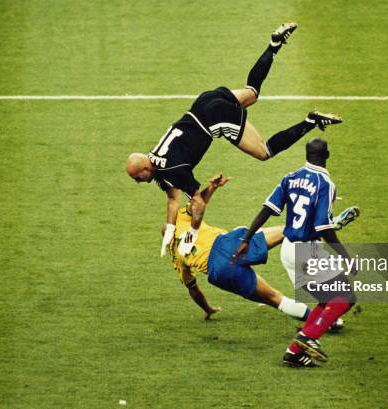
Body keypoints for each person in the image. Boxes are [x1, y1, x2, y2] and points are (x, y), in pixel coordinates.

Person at [126, 22, 342, 257]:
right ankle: (274, 44)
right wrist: (169, 230)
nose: (138, 181)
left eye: (138, 177)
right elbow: (172, 197)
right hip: (204, 102)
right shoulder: (156, 160)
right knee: (252, 92)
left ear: (146, 167)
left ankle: (310, 122)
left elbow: (197, 203)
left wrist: (191, 235)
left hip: (214, 119)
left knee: (264, 151)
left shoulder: (171, 170)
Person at [234, 138, 359, 367]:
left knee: (328, 299)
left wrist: (247, 238)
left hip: (288, 249)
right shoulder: (325, 183)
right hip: (307, 251)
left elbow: (267, 209)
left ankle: (295, 352)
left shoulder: (290, 177)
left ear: (306, 154)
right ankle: (306, 338)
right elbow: (322, 226)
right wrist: (344, 256)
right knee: (345, 297)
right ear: (327, 155)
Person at [166, 174, 331, 325]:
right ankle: (320, 229)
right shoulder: (179, 219)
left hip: (219, 271)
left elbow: (193, 290)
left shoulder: (176, 258)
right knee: (286, 231)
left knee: (276, 299)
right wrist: (212, 187)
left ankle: (325, 322)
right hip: (227, 244)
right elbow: (198, 204)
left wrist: (208, 309)